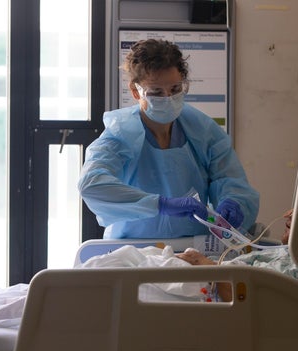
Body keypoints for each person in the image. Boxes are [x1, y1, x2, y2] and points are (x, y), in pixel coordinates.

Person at [78, 39, 259, 239]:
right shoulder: (121, 134)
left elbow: (230, 178)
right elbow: (91, 183)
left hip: (194, 249)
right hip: (132, 250)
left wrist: (234, 202)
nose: (168, 98)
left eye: (175, 89)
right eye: (156, 92)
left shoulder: (203, 131)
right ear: (134, 91)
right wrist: (160, 204)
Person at [176, 197, 298, 301]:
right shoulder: (288, 254)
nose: (288, 216)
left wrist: (207, 266)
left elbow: (247, 298)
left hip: (206, 287)